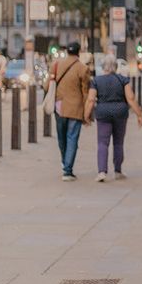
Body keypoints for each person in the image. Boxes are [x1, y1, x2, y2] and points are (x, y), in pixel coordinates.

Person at [84, 53, 142, 182]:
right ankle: (117, 170)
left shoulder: (96, 81)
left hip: (103, 113)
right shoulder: (122, 80)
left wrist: (86, 115)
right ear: (115, 67)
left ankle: (101, 172)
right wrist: (139, 114)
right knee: (118, 142)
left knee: (102, 142)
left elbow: (90, 99)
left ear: (103, 67)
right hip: (120, 113)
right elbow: (131, 98)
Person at [45, 42, 90, 181]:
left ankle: (65, 163)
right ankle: (67, 170)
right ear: (79, 52)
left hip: (59, 107)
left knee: (61, 138)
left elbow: (47, 85)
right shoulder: (83, 68)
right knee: (72, 138)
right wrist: (87, 113)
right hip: (75, 108)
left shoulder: (56, 65)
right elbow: (85, 93)